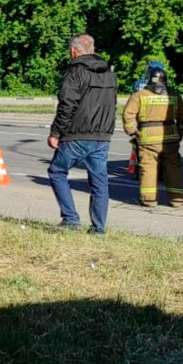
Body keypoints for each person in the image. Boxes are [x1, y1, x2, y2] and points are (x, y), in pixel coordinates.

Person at [47, 34, 117, 234]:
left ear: (73, 51)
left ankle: (71, 219)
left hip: (77, 134)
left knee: (57, 171)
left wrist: (55, 132)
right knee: (99, 182)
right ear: (93, 49)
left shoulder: (75, 71)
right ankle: (99, 229)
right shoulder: (108, 72)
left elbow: (67, 105)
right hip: (102, 135)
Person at [122, 66, 183, 208]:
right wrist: (180, 132)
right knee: (173, 168)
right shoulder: (174, 95)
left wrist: (133, 132)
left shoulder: (139, 96)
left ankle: (148, 199)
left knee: (148, 168)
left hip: (147, 138)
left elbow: (128, 115)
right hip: (170, 138)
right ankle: (177, 199)